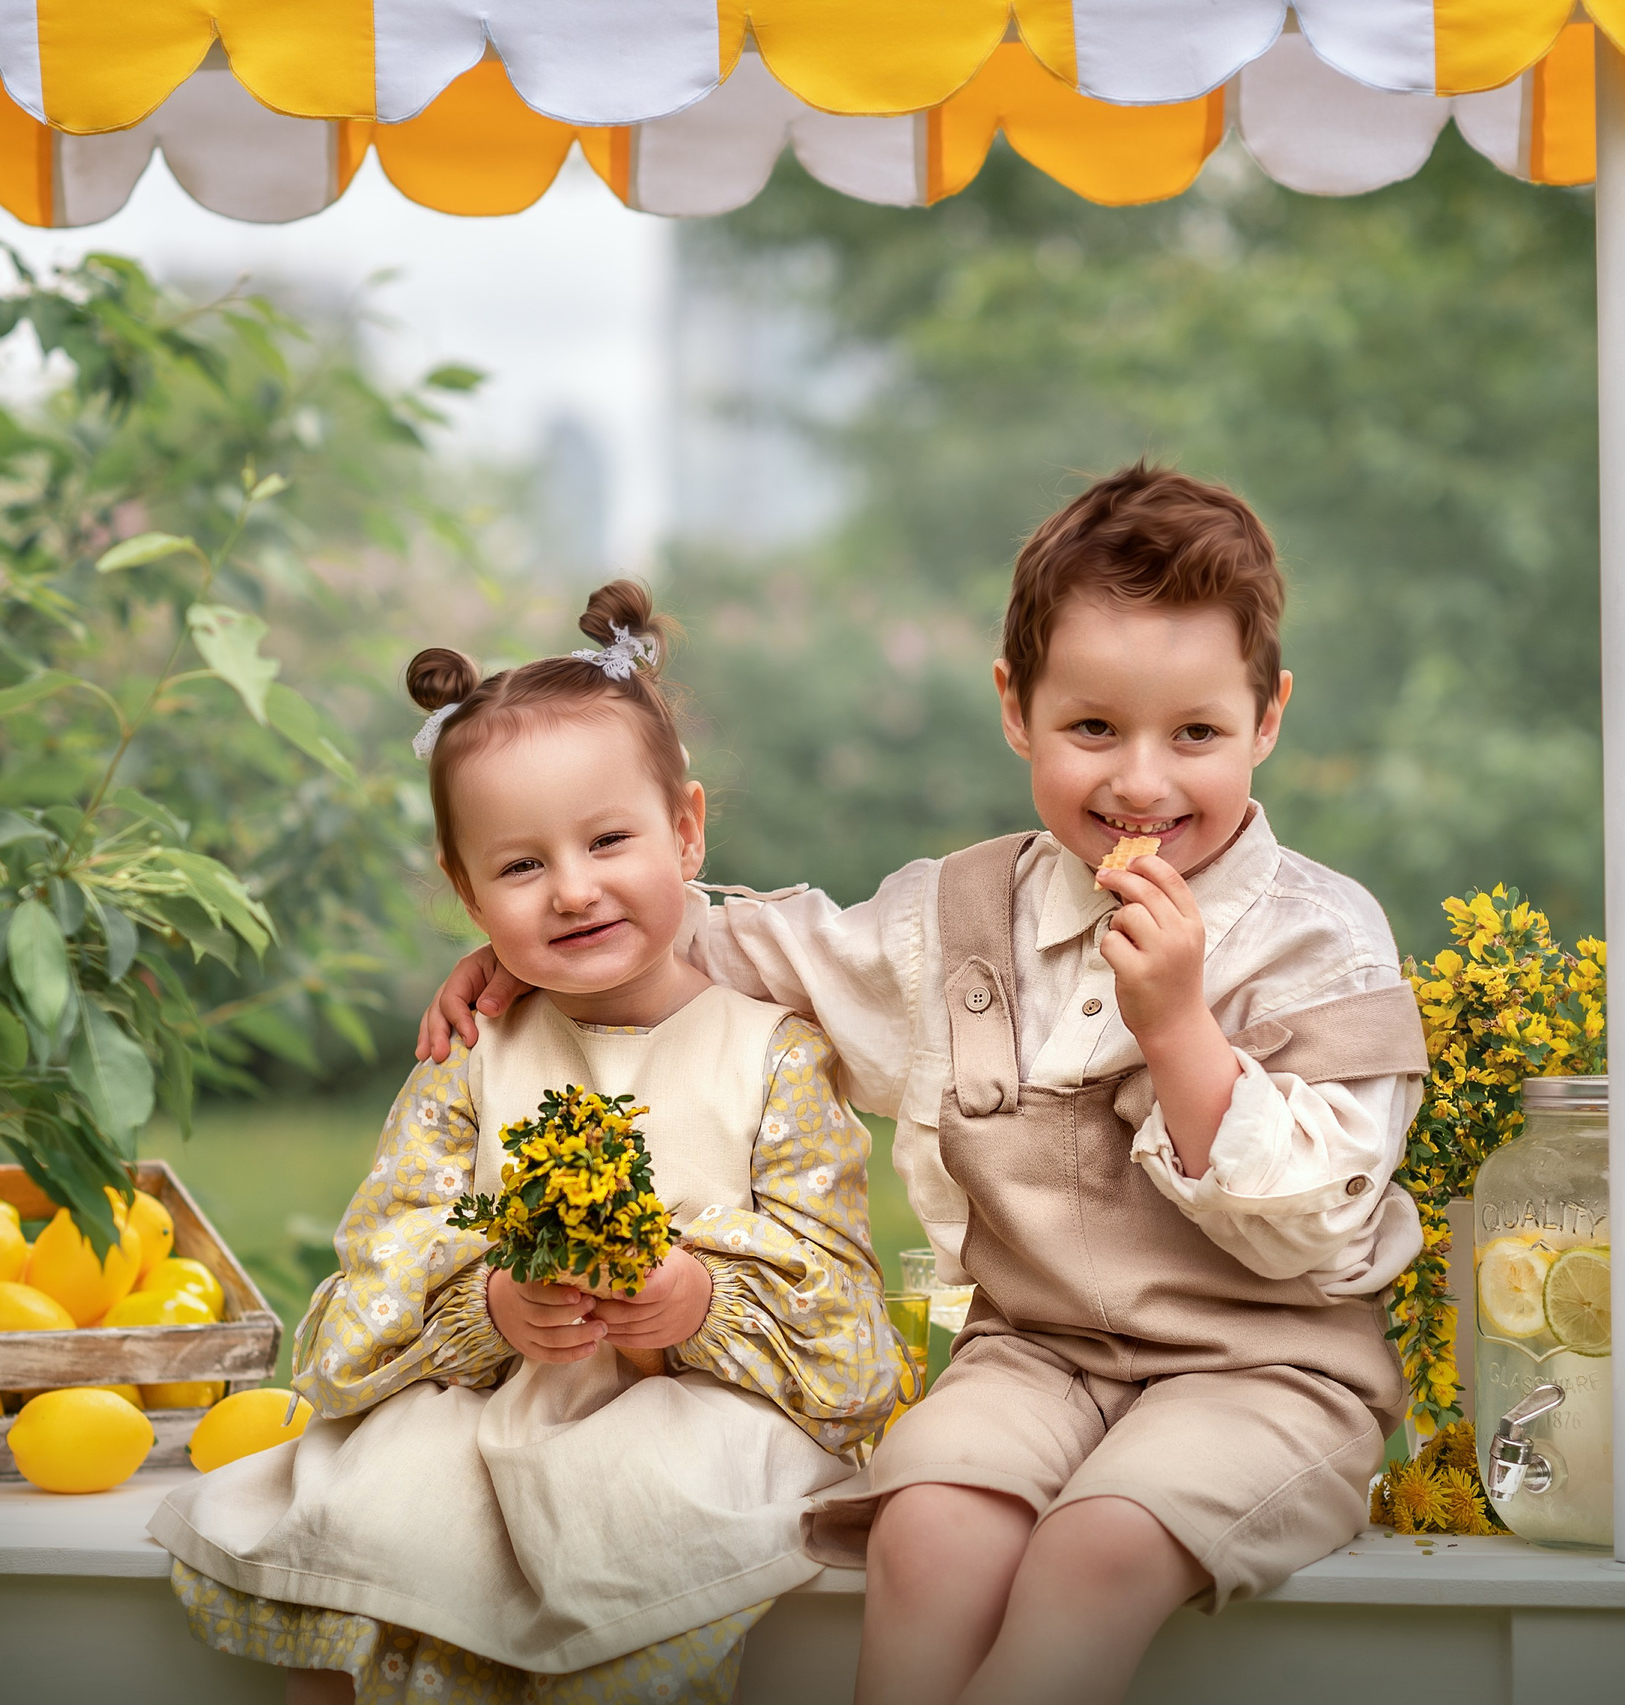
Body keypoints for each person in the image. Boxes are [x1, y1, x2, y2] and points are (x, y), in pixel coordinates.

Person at [421, 466, 1430, 1705]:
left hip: (1269, 1367)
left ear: (1266, 718)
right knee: (926, 1529)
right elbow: (761, 948)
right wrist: (538, 948)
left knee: (1095, 1551)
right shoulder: (960, 917)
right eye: (1094, 728)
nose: (1142, 783)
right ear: (1017, 709)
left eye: (1197, 734)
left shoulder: (1318, 937)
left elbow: (1322, 1220)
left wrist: (1177, 1027)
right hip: (1036, 1352)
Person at [152, 581, 899, 1705]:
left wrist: (698, 1298)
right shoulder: (472, 1056)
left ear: (686, 827)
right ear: (465, 890)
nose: (574, 889)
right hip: (484, 1399)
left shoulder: (774, 1055)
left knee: (638, 1520)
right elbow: (366, 1286)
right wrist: (489, 1306)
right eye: (519, 865)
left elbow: (847, 1332)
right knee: (381, 1512)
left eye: (608, 839)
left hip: (689, 1410)